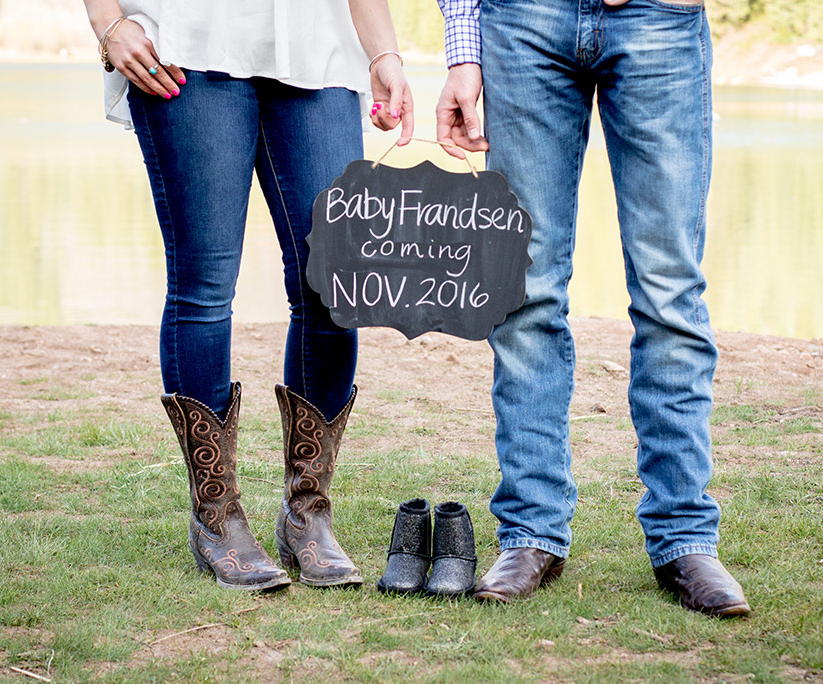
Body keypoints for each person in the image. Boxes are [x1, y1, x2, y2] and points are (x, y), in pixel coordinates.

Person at [82, 0, 413, 591]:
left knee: (332, 283)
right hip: (187, 42)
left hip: (315, 46)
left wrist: (384, 51)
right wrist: (109, 22)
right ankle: (217, 517)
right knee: (205, 285)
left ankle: (306, 512)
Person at [435, 0, 751, 615]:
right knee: (524, 290)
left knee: (669, 291)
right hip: (522, 20)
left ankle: (685, 536)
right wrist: (464, 47)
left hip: (659, 18)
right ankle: (531, 533)